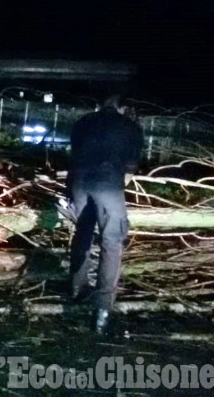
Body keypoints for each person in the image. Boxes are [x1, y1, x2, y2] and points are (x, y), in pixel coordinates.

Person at [67, 95, 143, 334]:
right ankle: (102, 312)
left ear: (101, 105)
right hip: (108, 183)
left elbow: (74, 152)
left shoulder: (83, 122)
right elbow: (129, 172)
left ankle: (77, 290)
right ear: (122, 108)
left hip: (78, 181)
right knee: (112, 241)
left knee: (82, 234)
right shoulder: (130, 127)